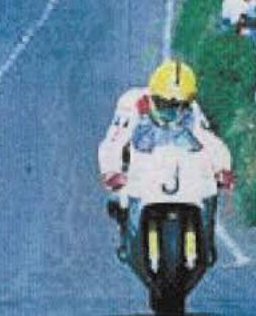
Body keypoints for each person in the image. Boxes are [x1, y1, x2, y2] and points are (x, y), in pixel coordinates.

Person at [97, 60, 234, 261]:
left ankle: (207, 241)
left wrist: (222, 168)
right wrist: (111, 170)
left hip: (178, 167)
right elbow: (114, 141)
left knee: (210, 192)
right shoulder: (132, 104)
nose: (172, 111)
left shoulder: (192, 110)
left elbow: (209, 139)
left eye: (179, 105)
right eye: (165, 104)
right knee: (116, 199)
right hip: (140, 164)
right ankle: (125, 235)